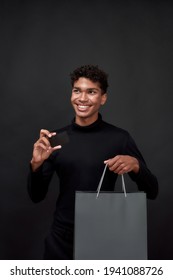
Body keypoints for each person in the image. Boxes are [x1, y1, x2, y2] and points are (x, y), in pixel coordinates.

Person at [28, 64, 158, 260]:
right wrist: (35, 165)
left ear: (103, 98)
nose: (82, 98)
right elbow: (36, 196)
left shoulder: (119, 138)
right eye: (77, 91)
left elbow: (153, 191)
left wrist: (136, 165)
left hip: (103, 235)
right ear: (71, 94)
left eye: (91, 92)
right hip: (61, 239)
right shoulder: (57, 139)